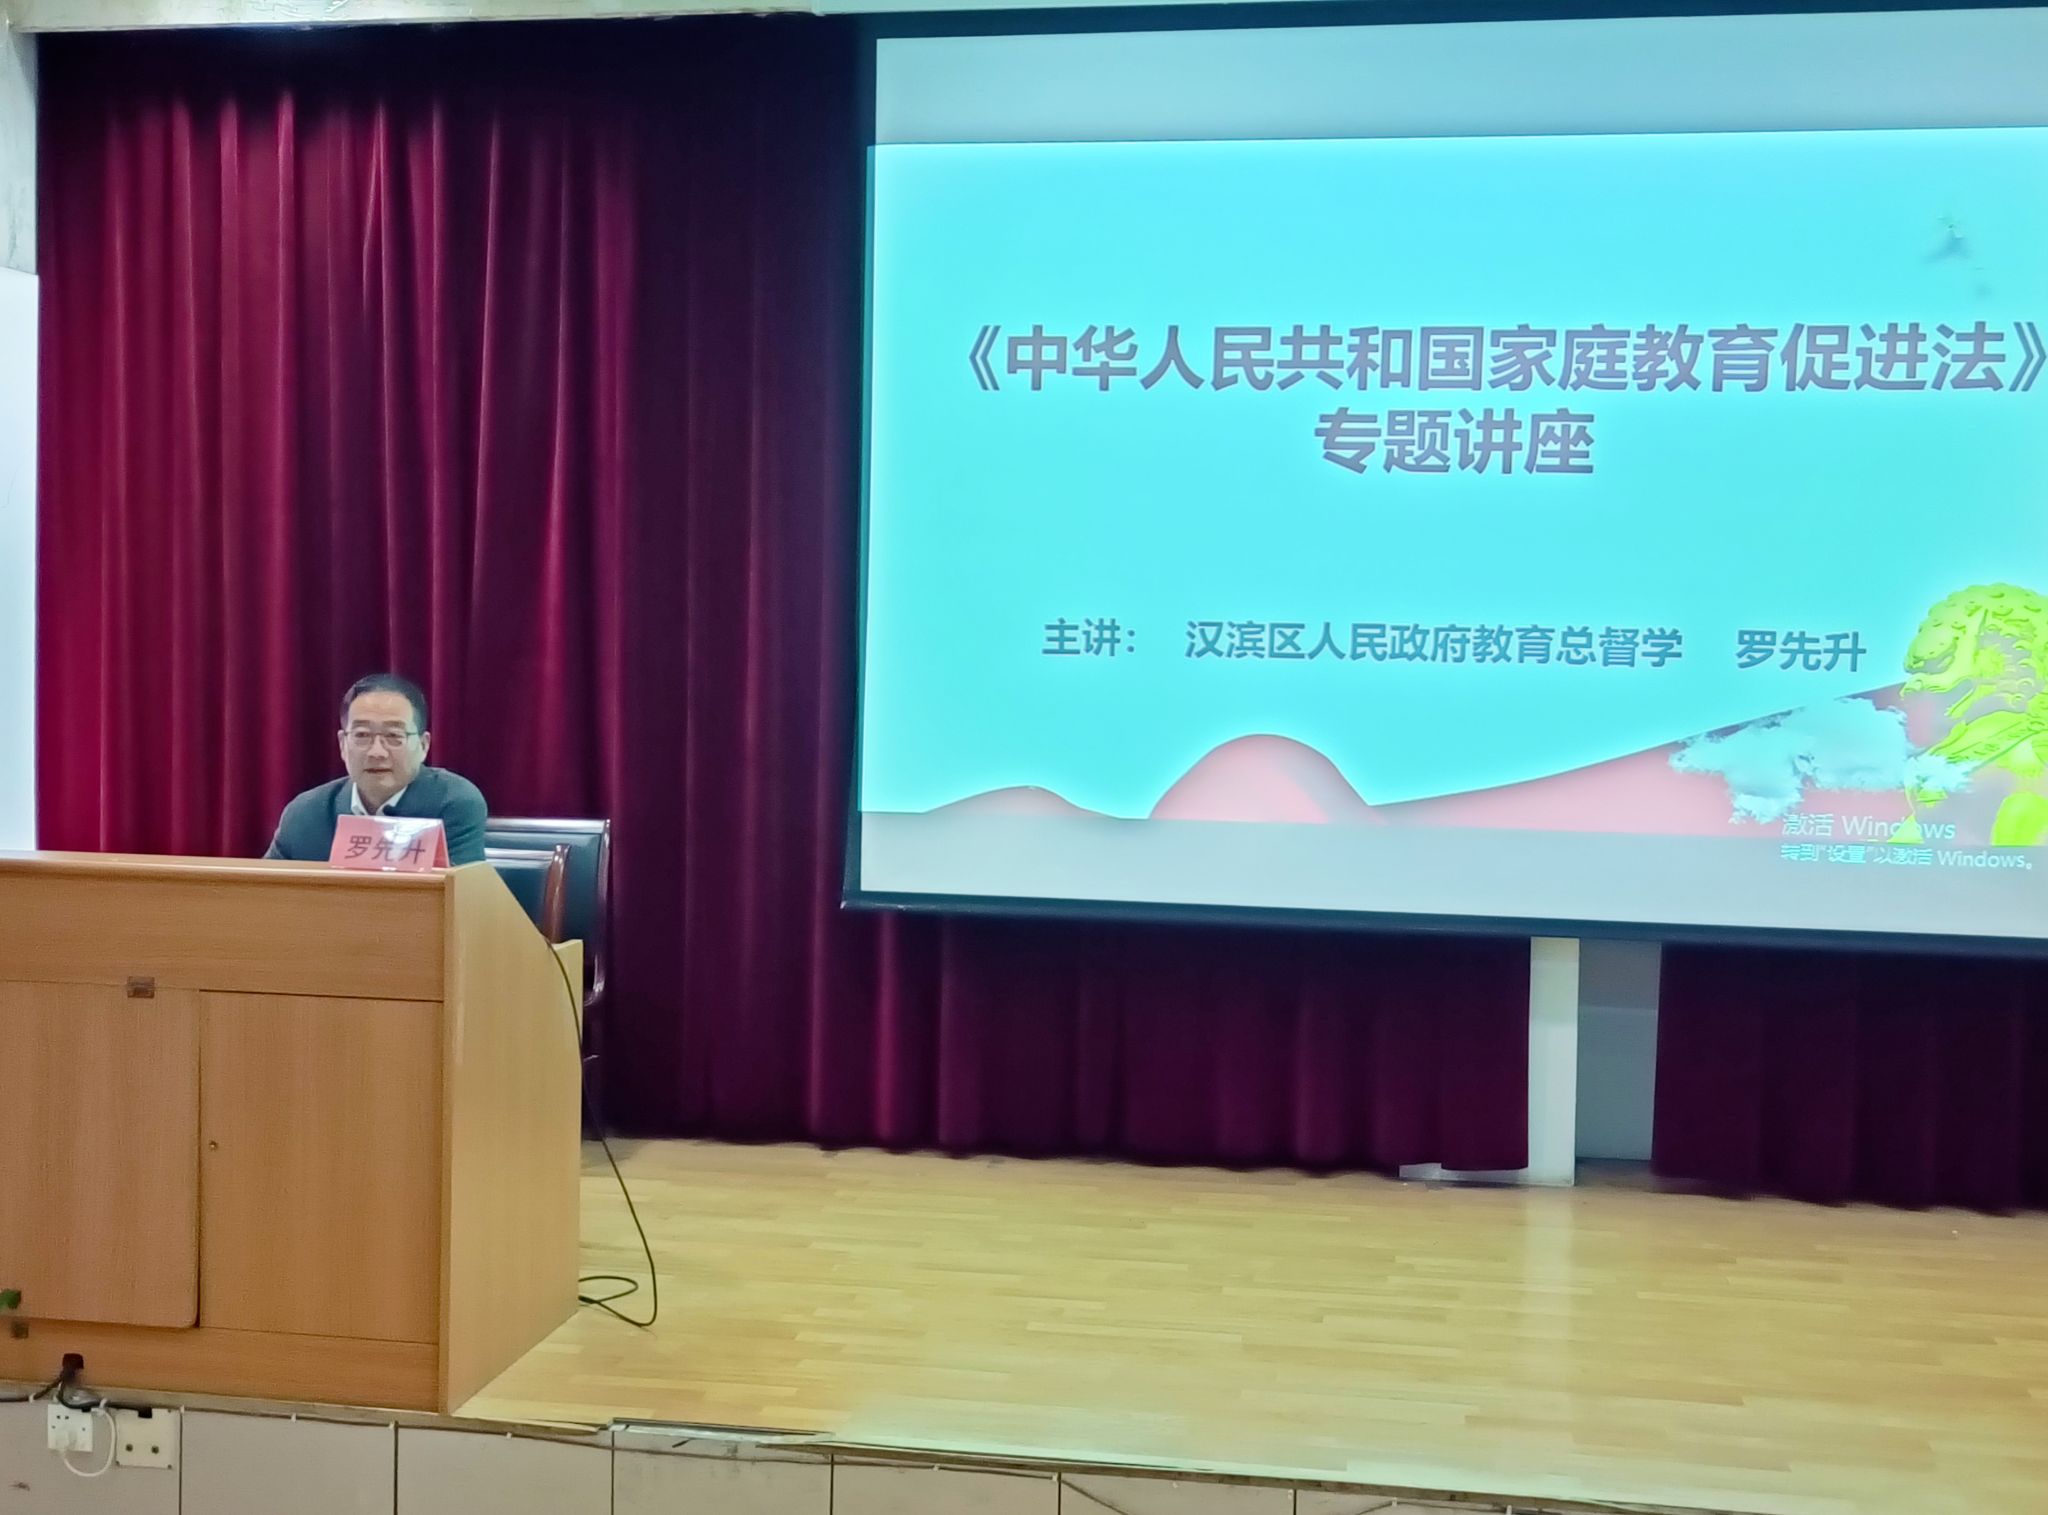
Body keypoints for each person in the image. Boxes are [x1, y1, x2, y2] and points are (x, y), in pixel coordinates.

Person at [264, 673, 488, 865]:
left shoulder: (453, 802)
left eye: (393, 736)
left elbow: (456, 893)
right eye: (362, 735)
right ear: (342, 744)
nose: (377, 752)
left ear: (423, 745)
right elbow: (264, 890)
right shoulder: (306, 812)